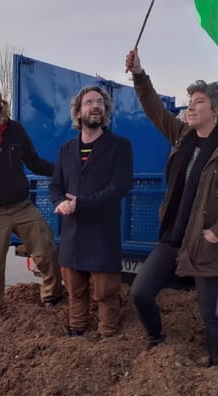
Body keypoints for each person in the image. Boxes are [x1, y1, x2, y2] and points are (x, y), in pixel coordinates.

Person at [125, 49, 218, 365]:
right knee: (141, 294)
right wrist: (139, 74)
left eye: (198, 101)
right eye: (190, 101)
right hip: (173, 237)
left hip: (206, 243)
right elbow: (154, 110)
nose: (190, 106)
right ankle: (155, 338)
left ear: (217, 109)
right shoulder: (183, 135)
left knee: (212, 314)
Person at [0, 85, 65, 324]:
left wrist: (61, 171)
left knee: (46, 247)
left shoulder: (16, 131)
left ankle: (51, 295)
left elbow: (35, 162)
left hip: (22, 207)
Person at [50, 86, 133, 337]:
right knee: (75, 290)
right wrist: (59, 202)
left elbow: (119, 187)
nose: (95, 106)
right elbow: (56, 185)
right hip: (73, 233)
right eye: (88, 102)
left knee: (106, 292)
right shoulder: (66, 149)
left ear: (105, 110)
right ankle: (77, 330)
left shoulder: (119, 146)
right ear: (78, 111)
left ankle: (108, 335)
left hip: (102, 233)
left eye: (99, 102)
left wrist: (81, 204)